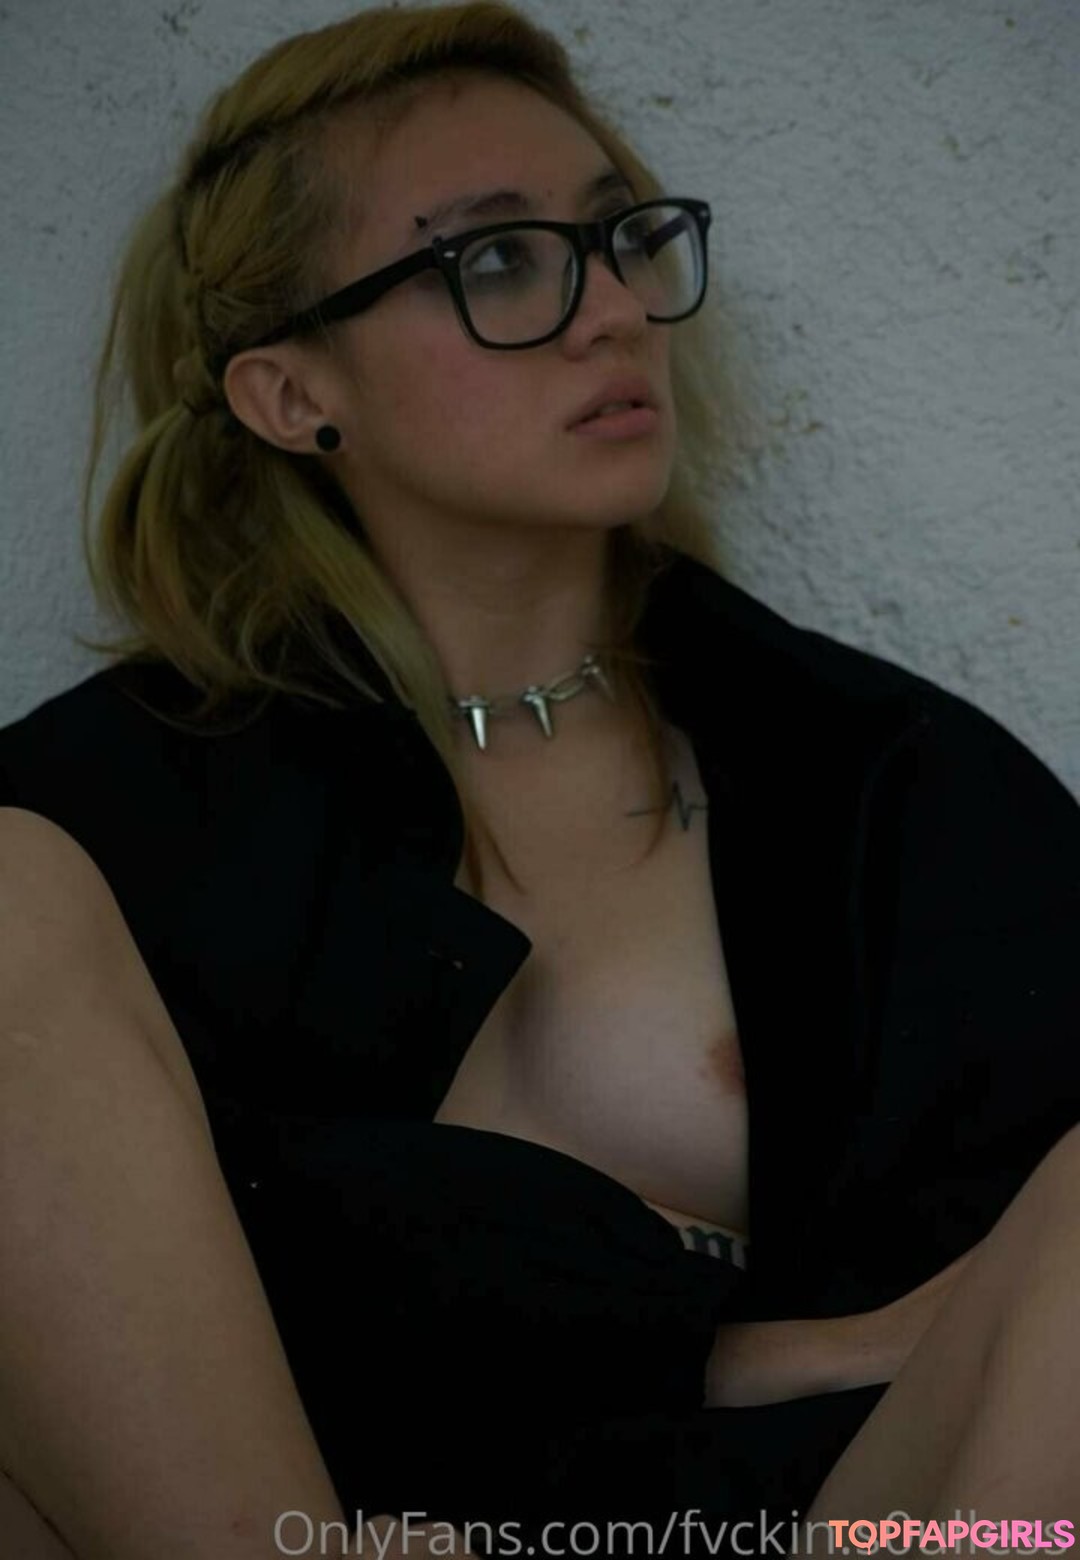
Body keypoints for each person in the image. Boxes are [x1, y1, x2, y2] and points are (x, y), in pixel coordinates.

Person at [1, 3, 1078, 1556]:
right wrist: (744, 1346)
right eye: (498, 260)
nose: (615, 312)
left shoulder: (885, 786)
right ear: (292, 393)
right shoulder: (110, 833)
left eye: (623, 239)